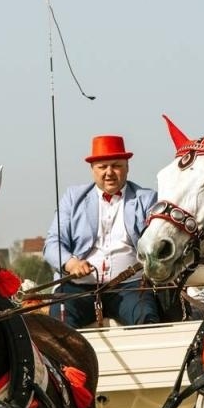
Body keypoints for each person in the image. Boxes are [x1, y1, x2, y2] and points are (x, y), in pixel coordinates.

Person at [42, 134, 160, 328]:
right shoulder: (72, 198)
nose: (109, 172)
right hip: (78, 289)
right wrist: (71, 264)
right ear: (92, 169)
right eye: (102, 167)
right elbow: (52, 243)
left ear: (127, 167)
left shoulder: (147, 199)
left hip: (131, 287)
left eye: (116, 165)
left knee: (147, 319)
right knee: (59, 327)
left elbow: (156, 243)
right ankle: (66, 361)